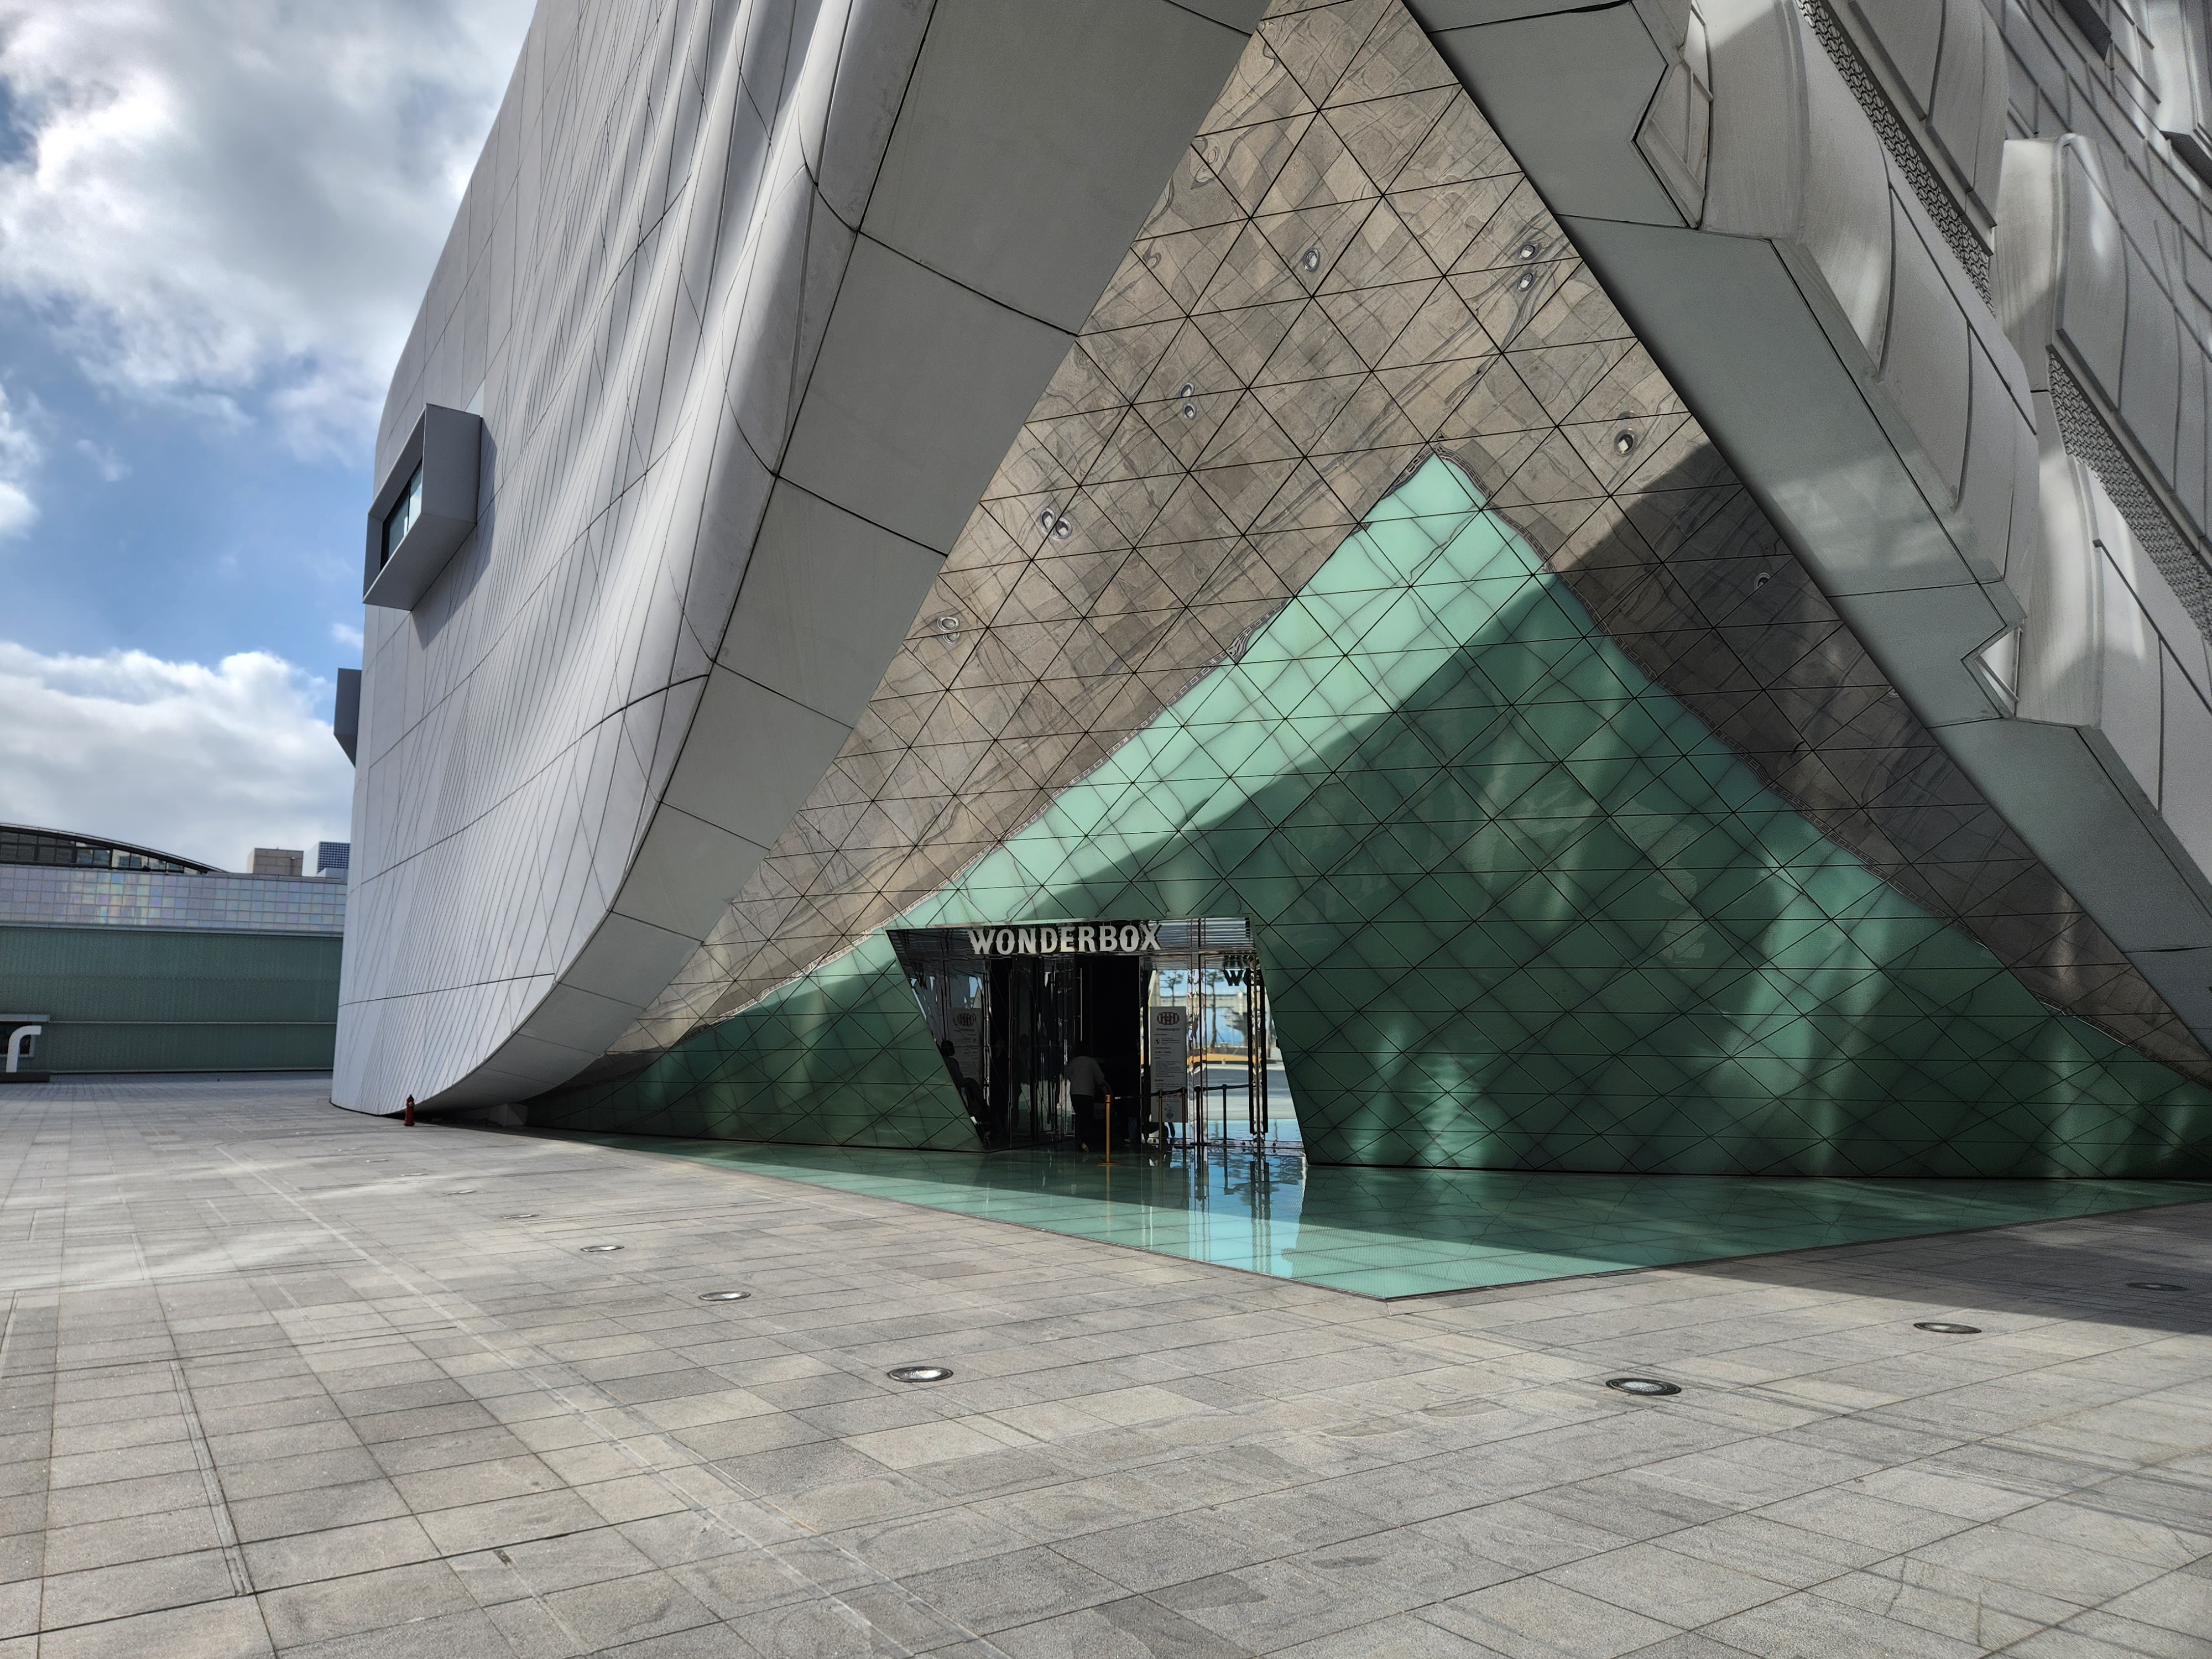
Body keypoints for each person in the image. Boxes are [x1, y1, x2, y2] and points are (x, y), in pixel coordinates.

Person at [1065, 1046, 1108, 1151]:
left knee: (1079, 1116)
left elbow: (1068, 1075)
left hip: (1075, 1093)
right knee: (1088, 1118)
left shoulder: (1073, 1062)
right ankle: (1086, 1141)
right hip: (1087, 1093)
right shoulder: (1092, 1062)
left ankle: (1079, 1141)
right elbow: (1100, 1078)